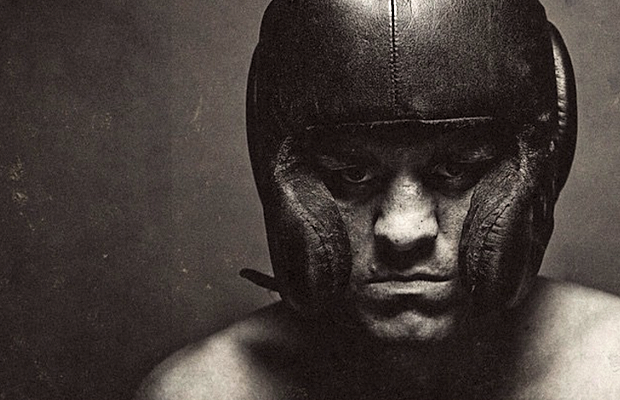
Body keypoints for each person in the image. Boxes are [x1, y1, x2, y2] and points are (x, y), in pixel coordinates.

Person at [136, 0, 620, 398]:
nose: (403, 231)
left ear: (542, 167)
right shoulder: (203, 392)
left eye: (456, 170)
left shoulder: (607, 373)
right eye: (352, 174)